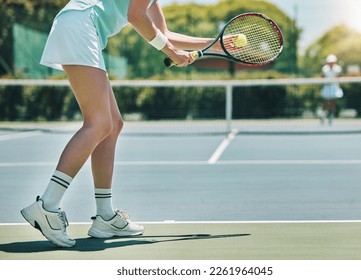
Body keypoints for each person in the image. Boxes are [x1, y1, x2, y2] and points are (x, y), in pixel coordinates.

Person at [20, 0, 222, 248]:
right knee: (99, 124)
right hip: (80, 26)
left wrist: (215, 43)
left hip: (80, 27)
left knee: (112, 125)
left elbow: (164, 33)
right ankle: (47, 205)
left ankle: (105, 216)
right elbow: (136, 16)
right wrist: (170, 52)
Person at [319, 54, 343, 125]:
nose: (331, 63)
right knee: (326, 102)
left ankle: (331, 116)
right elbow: (322, 77)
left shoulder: (338, 69)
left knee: (333, 102)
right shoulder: (324, 69)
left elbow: (338, 77)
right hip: (326, 87)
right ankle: (323, 115)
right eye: (330, 62)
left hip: (334, 87)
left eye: (332, 62)